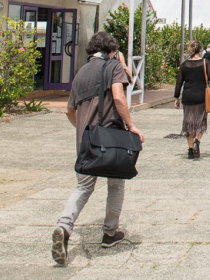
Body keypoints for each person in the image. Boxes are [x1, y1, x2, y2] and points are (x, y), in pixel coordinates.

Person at [52, 31, 143, 265]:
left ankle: (64, 225)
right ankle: (110, 233)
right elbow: (119, 97)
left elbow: (69, 111)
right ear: (111, 50)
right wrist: (132, 126)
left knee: (83, 186)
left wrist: (83, 130)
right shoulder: (113, 66)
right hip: (110, 138)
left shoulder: (80, 73)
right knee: (116, 184)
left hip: (85, 140)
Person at [174, 40, 210, 160]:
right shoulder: (205, 62)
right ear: (200, 50)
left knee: (188, 123)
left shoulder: (184, 64)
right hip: (201, 96)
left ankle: (190, 149)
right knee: (200, 121)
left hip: (188, 96)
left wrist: (176, 97)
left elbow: (179, 82)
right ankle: (197, 141)